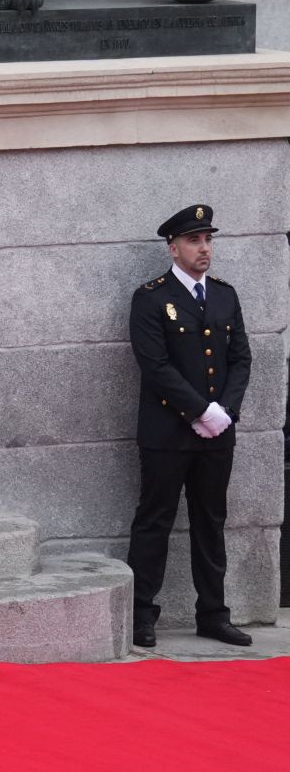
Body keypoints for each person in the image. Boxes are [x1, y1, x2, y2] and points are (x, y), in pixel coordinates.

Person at [127, 205, 253, 649]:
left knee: (210, 521)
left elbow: (241, 358)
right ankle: (142, 614)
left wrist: (226, 414)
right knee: (154, 520)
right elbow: (156, 366)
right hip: (167, 433)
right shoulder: (150, 298)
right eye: (195, 241)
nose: (205, 249)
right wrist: (202, 411)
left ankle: (213, 615)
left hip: (218, 434)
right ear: (173, 247)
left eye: (208, 240)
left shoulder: (224, 295)